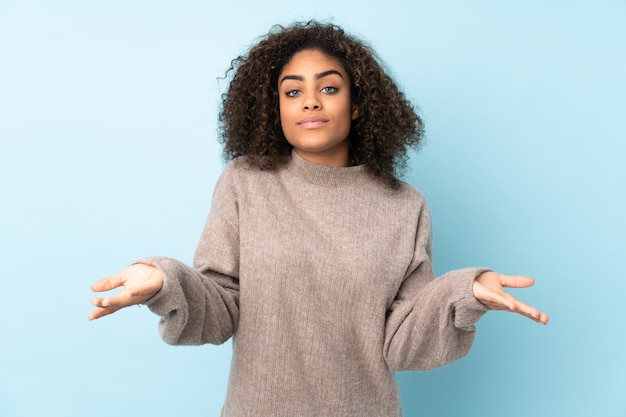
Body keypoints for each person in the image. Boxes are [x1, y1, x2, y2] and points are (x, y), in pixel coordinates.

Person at [88, 20, 549, 416]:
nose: (310, 102)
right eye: (293, 92)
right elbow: (222, 308)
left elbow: (402, 341)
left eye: (329, 88)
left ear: (357, 105)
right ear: (278, 109)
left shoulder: (404, 205)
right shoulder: (245, 182)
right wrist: (164, 280)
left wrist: (463, 293)